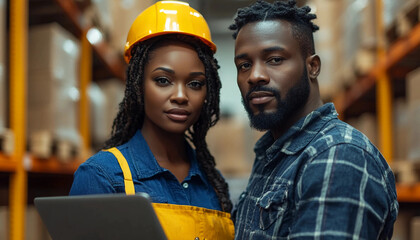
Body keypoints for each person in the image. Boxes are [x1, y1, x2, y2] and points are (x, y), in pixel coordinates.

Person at [229, 1, 398, 239]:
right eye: (244, 65)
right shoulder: (275, 153)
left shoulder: (337, 157)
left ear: (313, 67)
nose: (255, 76)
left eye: (275, 59)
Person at [70, 1, 234, 239]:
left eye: (195, 84)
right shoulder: (101, 177)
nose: (180, 96)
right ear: (138, 86)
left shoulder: (213, 183)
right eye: (163, 80)